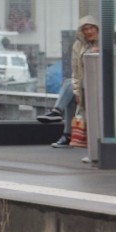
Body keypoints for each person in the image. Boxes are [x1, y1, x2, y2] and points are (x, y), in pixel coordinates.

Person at [39, 16, 100, 147]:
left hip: (102, 83)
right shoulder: (78, 45)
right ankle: (68, 135)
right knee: (71, 96)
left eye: (91, 28)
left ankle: (57, 112)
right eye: (85, 29)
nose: (89, 31)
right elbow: (76, 69)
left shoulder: (106, 42)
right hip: (85, 83)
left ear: (97, 28)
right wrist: (77, 92)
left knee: (69, 84)